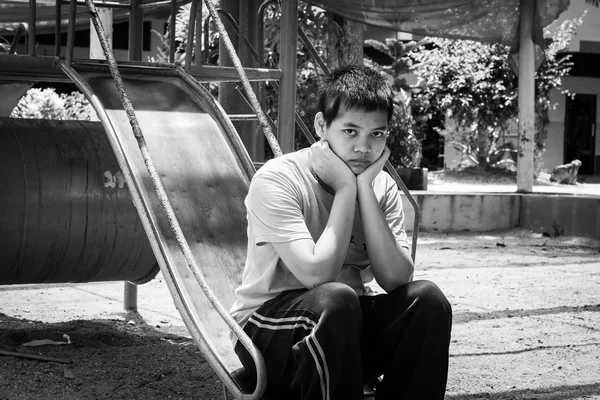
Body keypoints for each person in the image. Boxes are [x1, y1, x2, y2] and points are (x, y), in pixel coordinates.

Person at [230, 64, 452, 400]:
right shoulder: (279, 179)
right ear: (322, 126)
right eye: (350, 131)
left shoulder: (381, 186)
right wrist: (346, 190)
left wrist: (363, 187)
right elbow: (317, 276)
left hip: (343, 327)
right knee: (335, 298)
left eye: (376, 134)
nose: (364, 148)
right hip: (268, 329)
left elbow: (395, 279)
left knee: (428, 301)